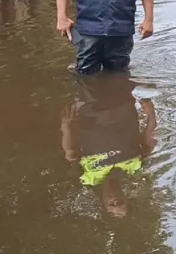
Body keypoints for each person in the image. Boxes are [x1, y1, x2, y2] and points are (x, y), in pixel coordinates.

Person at [60, 73, 157, 217]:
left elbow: (71, 153)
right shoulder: (135, 168)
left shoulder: (87, 177)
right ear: (127, 198)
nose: (116, 200)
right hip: (122, 105)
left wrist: (66, 126)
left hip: (89, 109)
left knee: (88, 68)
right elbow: (148, 142)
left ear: (103, 202)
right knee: (118, 65)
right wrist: (150, 113)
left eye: (112, 204)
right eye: (121, 202)